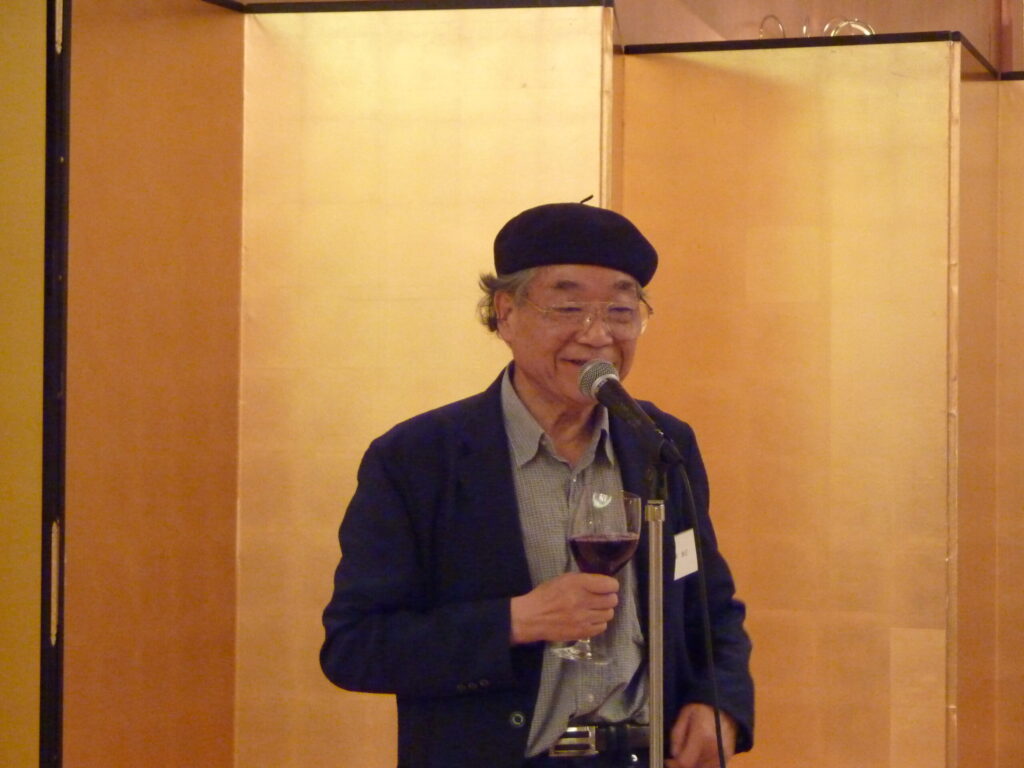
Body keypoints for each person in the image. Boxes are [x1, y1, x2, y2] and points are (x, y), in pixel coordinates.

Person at [320, 203, 754, 768]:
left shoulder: (661, 444)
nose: (597, 335)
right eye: (568, 308)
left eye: (621, 311)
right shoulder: (417, 458)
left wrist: (718, 701)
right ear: (505, 314)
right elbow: (355, 646)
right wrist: (514, 621)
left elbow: (708, 605)